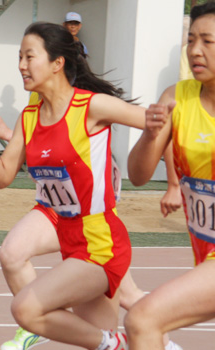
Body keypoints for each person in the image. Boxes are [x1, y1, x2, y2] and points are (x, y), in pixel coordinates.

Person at [0, 21, 150, 350]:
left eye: (29, 57)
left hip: (101, 241)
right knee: (98, 339)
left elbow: (157, 122)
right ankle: (128, 340)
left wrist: (175, 179)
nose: (21, 66)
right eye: (19, 57)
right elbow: (3, 177)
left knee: (26, 308)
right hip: (69, 236)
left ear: (57, 63)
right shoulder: (29, 115)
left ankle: (125, 339)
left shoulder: (91, 106)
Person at [0, 112, 182, 350]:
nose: (25, 72)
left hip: (93, 221)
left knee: (128, 295)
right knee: (11, 254)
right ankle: (37, 322)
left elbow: (61, 145)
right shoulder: (35, 108)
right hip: (54, 210)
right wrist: (7, 135)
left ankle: (164, 343)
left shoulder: (88, 106)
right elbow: (42, 146)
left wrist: (173, 184)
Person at [125, 3, 215, 349]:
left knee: (143, 319)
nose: (195, 50)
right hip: (205, 254)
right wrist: (151, 133)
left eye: (207, 41)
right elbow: (138, 176)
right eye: (191, 40)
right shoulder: (176, 98)